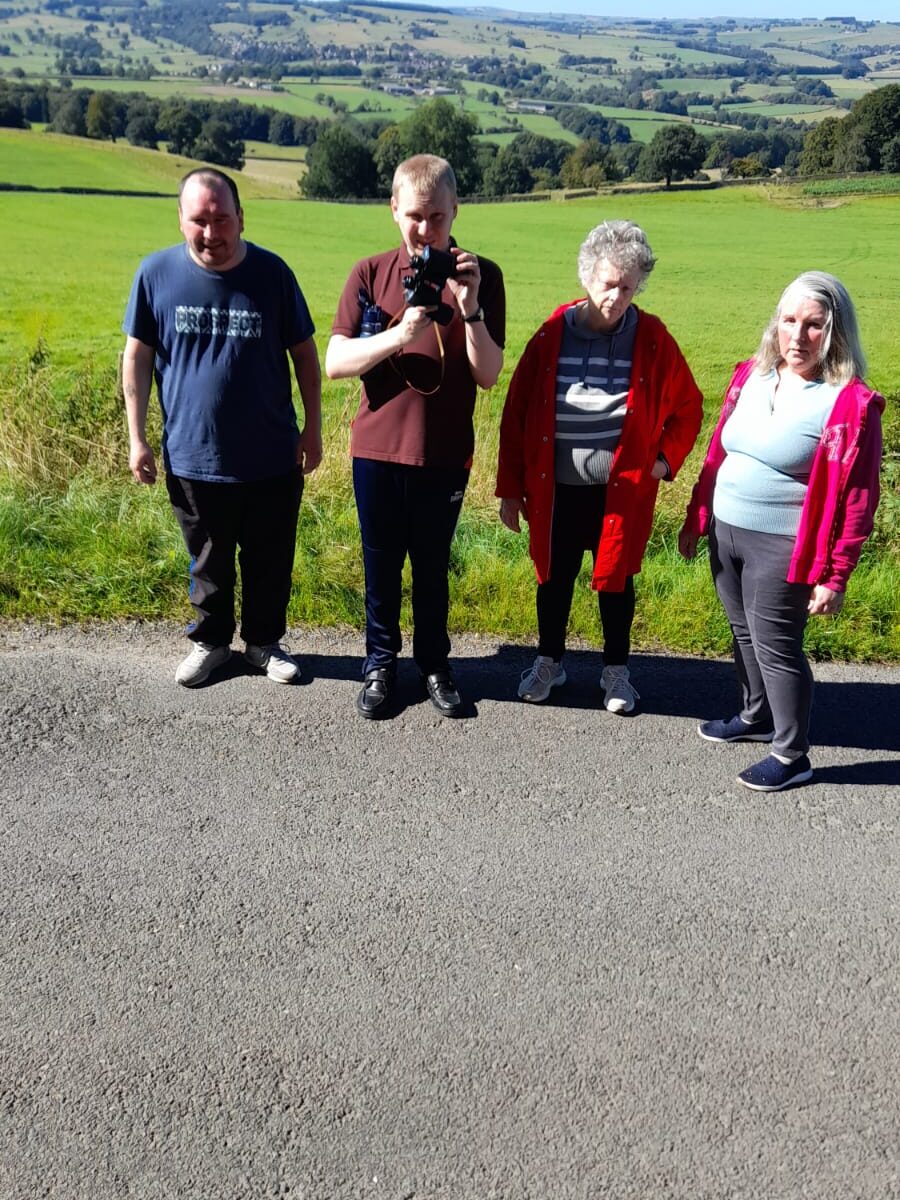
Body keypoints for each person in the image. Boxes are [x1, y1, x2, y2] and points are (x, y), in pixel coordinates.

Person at [678, 271, 883, 792]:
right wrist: (698, 516)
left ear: (836, 331)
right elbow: (718, 451)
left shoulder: (850, 403)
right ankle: (755, 716)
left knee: (775, 645)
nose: (797, 336)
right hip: (727, 531)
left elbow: (859, 498)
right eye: (788, 320)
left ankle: (792, 755)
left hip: (783, 546)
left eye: (814, 325)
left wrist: (836, 576)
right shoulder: (752, 376)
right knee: (742, 631)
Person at [122, 167, 322, 687]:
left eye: (222, 219)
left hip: (272, 455)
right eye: (199, 221)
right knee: (207, 562)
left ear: (241, 217)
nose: (211, 233)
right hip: (194, 455)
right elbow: (137, 358)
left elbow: (304, 355)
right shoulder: (155, 274)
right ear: (182, 219)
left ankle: (263, 644)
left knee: (269, 559)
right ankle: (211, 643)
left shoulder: (273, 274)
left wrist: (313, 428)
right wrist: (137, 437)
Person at [496, 220, 703, 713]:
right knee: (553, 579)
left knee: (617, 581)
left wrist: (663, 460)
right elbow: (516, 412)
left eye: (627, 287)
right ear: (588, 277)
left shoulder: (652, 338)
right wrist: (510, 488)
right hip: (556, 492)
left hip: (621, 493)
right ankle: (549, 661)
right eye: (609, 284)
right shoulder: (550, 335)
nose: (616, 296)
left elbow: (688, 407)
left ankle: (616, 672)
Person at [326, 154, 505, 719]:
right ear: (393, 211)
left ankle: (434, 664)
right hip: (377, 450)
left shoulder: (483, 275)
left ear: (456, 211)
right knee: (379, 563)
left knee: (431, 566)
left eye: (436, 217)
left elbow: (489, 373)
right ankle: (380, 664)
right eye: (414, 216)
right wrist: (400, 333)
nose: (425, 230)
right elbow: (335, 361)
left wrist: (470, 310)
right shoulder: (369, 273)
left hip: (444, 454)